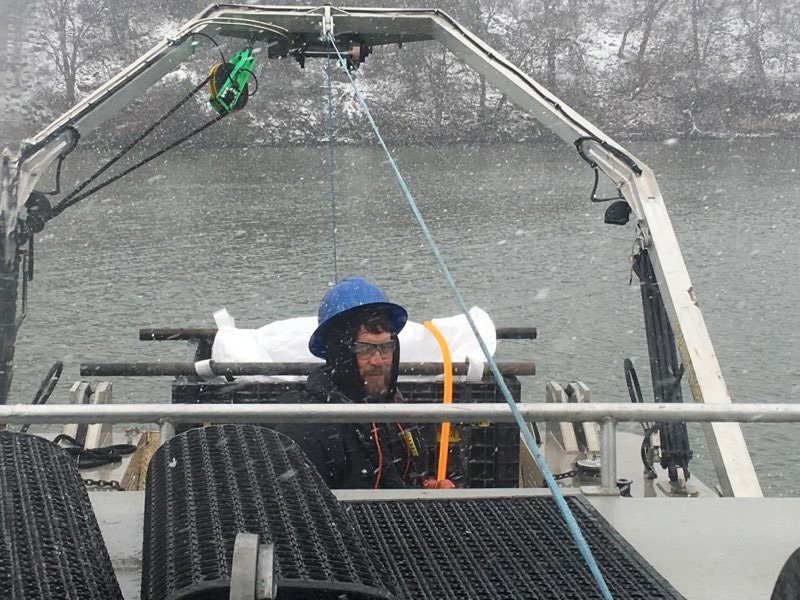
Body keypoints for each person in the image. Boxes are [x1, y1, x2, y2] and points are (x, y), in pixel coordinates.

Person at [277, 277, 437, 489]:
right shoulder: (310, 426)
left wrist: (428, 488)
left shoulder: (396, 409)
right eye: (365, 349)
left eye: (386, 347)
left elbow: (412, 473)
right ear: (339, 352)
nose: (379, 361)